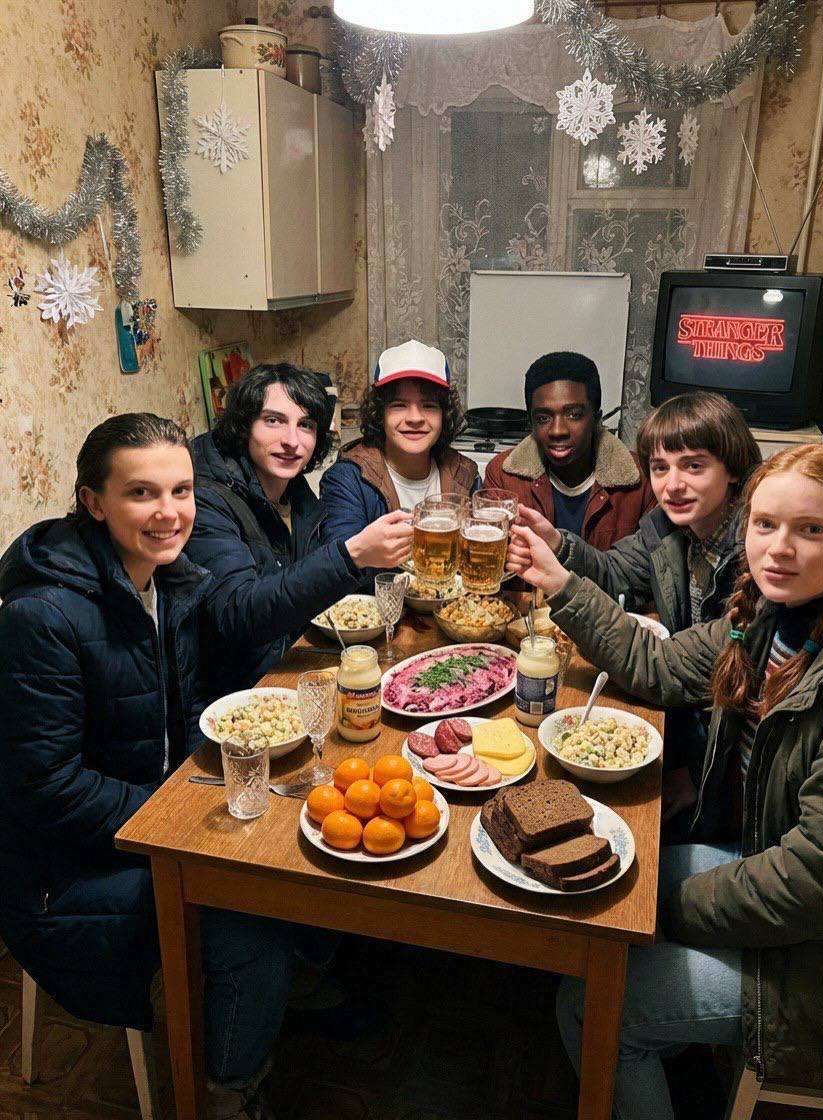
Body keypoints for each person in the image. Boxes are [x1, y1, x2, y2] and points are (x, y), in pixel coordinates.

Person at [508, 442, 823, 1120]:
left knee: (592, 1000)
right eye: (766, 524)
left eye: (811, 530)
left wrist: (663, 913)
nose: (779, 548)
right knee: (610, 886)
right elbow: (656, 666)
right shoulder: (776, 612)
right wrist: (562, 583)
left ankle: (648, 1046)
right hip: (767, 864)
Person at [0, 414, 296, 1120]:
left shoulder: (168, 580)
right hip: (62, 866)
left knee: (291, 832)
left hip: (151, 810)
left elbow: (191, 702)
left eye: (181, 491)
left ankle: (280, 994)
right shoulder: (42, 617)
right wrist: (181, 815)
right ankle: (226, 1093)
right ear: (94, 502)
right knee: (254, 908)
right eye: (142, 493)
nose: (169, 513)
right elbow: (47, 789)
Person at [514, 391, 762, 836]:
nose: (673, 485)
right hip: (690, 738)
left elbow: (660, 667)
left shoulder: (762, 557)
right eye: (660, 468)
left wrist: (695, 775)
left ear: (733, 469)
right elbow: (614, 573)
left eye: (694, 466)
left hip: (733, 784)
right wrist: (557, 544)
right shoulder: (672, 528)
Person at [188, 362, 412, 695]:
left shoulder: (294, 489)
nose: (291, 441)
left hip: (295, 670)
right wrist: (352, 555)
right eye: (273, 421)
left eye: (305, 425)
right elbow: (239, 615)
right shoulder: (206, 499)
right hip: (240, 696)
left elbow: (310, 584)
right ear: (244, 424)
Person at [319, 340, 480, 584]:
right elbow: (338, 577)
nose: (415, 418)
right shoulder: (347, 480)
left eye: (429, 405)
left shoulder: (464, 474)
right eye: (399, 405)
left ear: (444, 414)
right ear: (380, 414)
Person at [483, 351, 654, 549]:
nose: (558, 431)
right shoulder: (503, 475)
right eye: (543, 418)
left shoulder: (643, 480)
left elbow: (651, 565)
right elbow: (491, 558)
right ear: (532, 423)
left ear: (597, 419)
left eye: (574, 415)